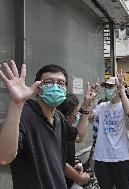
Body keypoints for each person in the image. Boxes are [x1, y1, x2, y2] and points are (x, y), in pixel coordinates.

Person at [0, 61, 96, 189]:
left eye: (61, 83)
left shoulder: (58, 117)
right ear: (38, 88)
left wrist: (86, 106)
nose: (55, 86)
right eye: (49, 82)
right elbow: (4, 157)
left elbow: (78, 136)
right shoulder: (24, 114)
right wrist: (17, 104)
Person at [88, 74, 129, 189]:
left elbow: (128, 112)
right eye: (106, 87)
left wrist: (122, 89)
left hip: (122, 158)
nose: (107, 90)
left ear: (118, 88)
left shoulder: (128, 105)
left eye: (111, 87)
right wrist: (91, 97)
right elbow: (88, 116)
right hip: (102, 157)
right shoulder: (102, 106)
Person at [57, 93, 97, 188]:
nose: (77, 115)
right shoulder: (60, 128)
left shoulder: (65, 126)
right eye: (76, 112)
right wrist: (80, 178)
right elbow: (61, 163)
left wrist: (76, 164)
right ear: (68, 115)